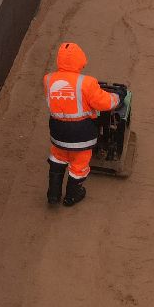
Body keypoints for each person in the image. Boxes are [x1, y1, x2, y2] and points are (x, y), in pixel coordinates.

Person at [44, 41, 122, 207]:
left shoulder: (48, 79)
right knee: (79, 163)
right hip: (81, 133)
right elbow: (104, 103)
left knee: (58, 157)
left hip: (57, 131)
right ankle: (72, 195)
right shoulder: (86, 83)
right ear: (80, 59)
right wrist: (118, 97)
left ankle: (53, 194)